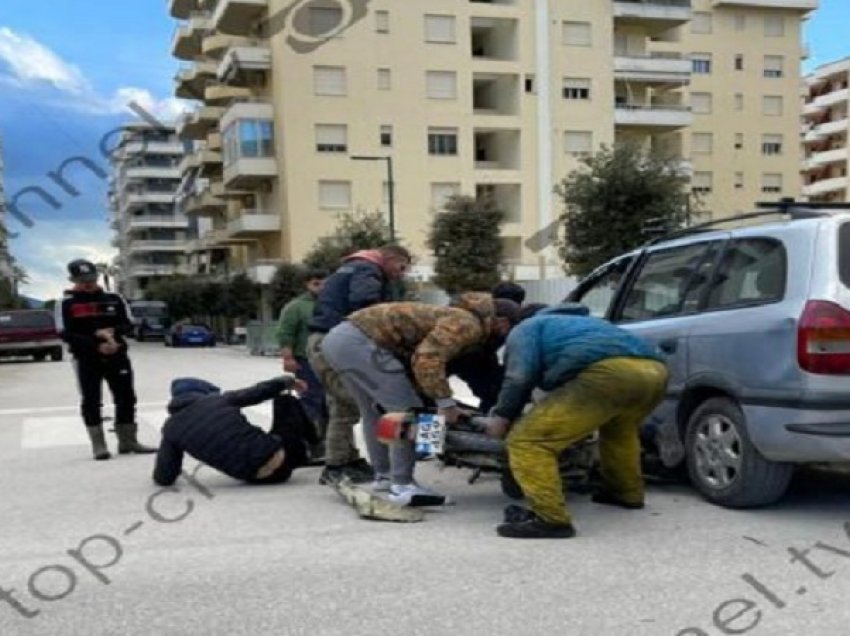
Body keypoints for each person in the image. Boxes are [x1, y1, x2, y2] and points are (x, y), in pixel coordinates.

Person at [484, 303, 669, 539]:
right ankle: (625, 493)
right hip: (655, 373)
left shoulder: (528, 327)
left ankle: (550, 519)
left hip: (610, 376)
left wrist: (503, 415)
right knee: (619, 432)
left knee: (528, 441)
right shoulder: (592, 323)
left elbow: (518, 377)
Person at [321, 293, 519, 506]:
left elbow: (429, 366)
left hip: (340, 340)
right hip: (362, 343)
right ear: (502, 321)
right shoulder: (468, 323)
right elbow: (428, 359)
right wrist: (446, 404)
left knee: (376, 412)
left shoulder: (458, 319)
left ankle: (385, 476)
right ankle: (403, 486)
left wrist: (442, 404)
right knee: (407, 413)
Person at [307, 244, 412, 485]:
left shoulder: (352, 268)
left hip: (329, 340)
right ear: (389, 258)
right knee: (394, 410)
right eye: (401, 266)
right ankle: (397, 479)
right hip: (343, 341)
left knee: (364, 408)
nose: (401, 273)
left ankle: (374, 471)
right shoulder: (368, 270)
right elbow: (365, 303)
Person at [55, 259, 156, 461]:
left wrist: (113, 333)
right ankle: (99, 445)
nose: (88, 283)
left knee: (126, 397)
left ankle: (128, 441)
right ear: (72, 279)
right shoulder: (65, 303)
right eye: (83, 280)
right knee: (91, 400)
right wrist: (96, 342)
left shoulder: (114, 298)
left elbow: (128, 324)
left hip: (117, 354)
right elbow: (64, 333)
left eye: (91, 278)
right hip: (86, 358)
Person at [153, 376, 314, 486]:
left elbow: (164, 476)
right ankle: (315, 447)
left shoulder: (170, 428)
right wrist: (286, 381)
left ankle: (310, 449)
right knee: (285, 400)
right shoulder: (217, 400)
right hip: (284, 456)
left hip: (256, 477)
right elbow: (257, 392)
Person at [276, 269, 328, 459]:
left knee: (329, 405)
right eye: (316, 283)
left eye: (325, 283)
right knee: (310, 401)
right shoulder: (296, 307)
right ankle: (306, 444)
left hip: (330, 361)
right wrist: (288, 358)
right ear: (307, 284)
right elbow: (285, 333)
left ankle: (325, 445)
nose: (321, 287)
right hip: (305, 361)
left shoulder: (332, 304)